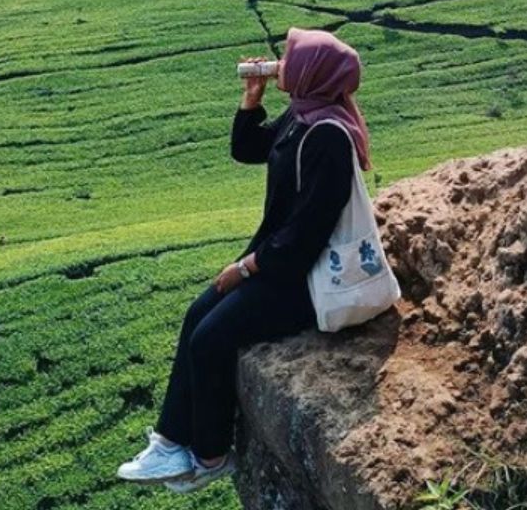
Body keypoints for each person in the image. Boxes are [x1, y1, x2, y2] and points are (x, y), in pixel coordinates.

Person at [116, 26, 375, 493]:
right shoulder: (302, 115)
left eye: (291, 57)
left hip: (302, 278)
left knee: (212, 338)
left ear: (313, 72)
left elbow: (308, 232)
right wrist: (251, 99)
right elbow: (249, 149)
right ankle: (170, 443)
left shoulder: (329, 137)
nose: (281, 62)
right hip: (277, 262)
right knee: (197, 314)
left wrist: (247, 267)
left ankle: (211, 455)